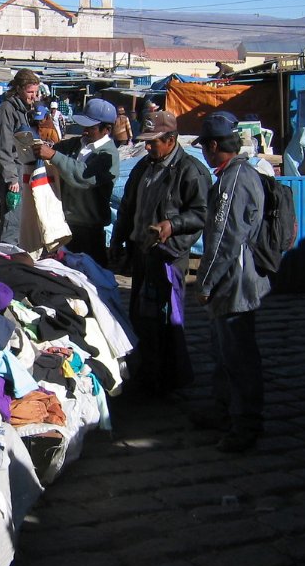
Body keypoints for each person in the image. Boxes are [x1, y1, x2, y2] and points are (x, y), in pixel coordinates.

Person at [109, 111, 210, 395]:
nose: (149, 147)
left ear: (171, 140)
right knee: (141, 318)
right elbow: (128, 207)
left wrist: (173, 225)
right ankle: (146, 374)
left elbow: (202, 213)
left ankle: (171, 380)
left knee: (168, 320)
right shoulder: (143, 167)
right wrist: (119, 240)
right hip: (143, 253)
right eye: (147, 142)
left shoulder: (190, 171)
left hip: (168, 256)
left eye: (154, 143)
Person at [192, 111, 271, 452]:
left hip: (234, 283)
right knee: (223, 352)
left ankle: (245, 424)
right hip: (235, 279)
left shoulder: (232, 182)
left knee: (238, 357)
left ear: (212, 146)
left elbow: (224, 239)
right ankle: (223, 410)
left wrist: (204, 283)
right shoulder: (238, 175)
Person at [36, 98, 119, 266]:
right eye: (84, 127)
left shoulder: (108, 155)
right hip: (67, 224)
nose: (85, 131)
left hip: (89, 229)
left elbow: (83, 176)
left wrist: (53, 156)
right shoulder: (76, 145)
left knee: (91, 273)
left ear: (106, 129)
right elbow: (55, 150)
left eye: (91, 128)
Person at [0, 69, 40, 244]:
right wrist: (12, 179)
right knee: (12, 219)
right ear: (18, 89)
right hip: (13, 172)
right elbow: (3, 146)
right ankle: (7, 260)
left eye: (35, 92)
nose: (33, 96)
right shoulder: (7, 109)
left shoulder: (24, 111)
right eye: (30, 92)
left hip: (24, 170)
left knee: (21, 218)